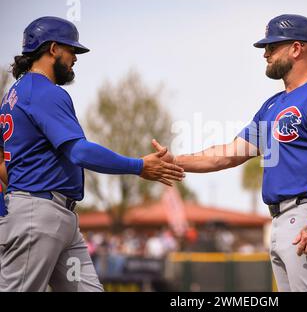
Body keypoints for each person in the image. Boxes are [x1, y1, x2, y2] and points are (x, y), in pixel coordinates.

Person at [153, 14, 307, 291]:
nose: (265, 54)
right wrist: (176, 161)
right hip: (282, 221)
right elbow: (228, 154)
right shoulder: (273, 105)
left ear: (297, 48)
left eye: (272, 47)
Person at [0, 16, 184, 292]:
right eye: (71, 49)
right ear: (52, 49)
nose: (75, 57)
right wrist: (138, 166)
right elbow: (79, 151)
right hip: (37, 213)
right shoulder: (43, 91)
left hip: (54, 216)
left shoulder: (14, 94)